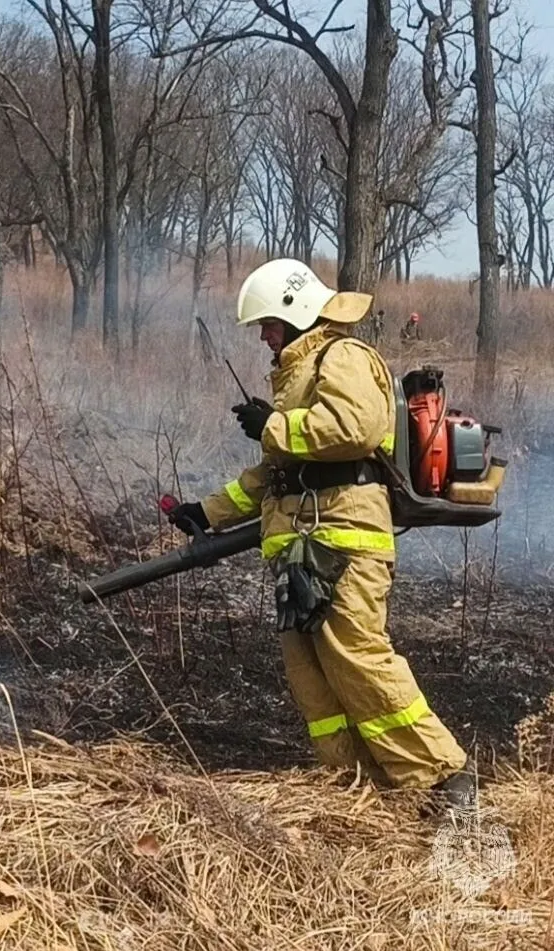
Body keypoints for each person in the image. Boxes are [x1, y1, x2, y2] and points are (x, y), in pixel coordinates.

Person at [167, 259, 474, 815]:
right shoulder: (297, 376)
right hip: (301, 546)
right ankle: (360, 787)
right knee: (312, 675)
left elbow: (355, 428)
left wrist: (275, 426)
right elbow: (276, 475)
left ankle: (446, 780)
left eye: (269, 325)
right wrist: (207, 512)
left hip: (344, 536)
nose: (264, 336)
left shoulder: (344, 357)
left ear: (298, 314)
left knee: (356, 656)